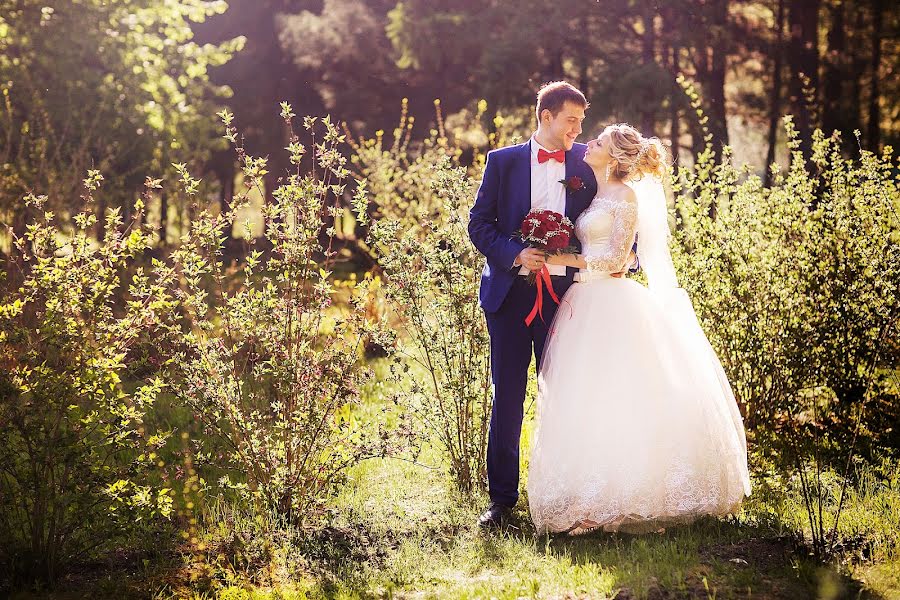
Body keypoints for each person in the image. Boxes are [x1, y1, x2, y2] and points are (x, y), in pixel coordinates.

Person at [526, 123, 751, 535]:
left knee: (621, 396)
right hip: (582, 302)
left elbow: (615, 261)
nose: (588, 143)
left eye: (598, 142)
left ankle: (633, 494)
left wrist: (559, 257)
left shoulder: (626, 196)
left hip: (609, 300)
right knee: (588, 399)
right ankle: (591, 492)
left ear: (612, 158)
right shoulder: (595, 195)